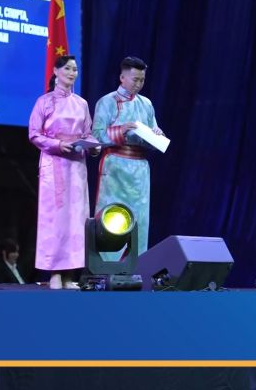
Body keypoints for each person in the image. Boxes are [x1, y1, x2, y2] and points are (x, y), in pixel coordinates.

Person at [28, 55, 98, 290]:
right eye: (67, 68)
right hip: (54, 164)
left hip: (76, 167)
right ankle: (54, 273)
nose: (71, 73)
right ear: (56, 71)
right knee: (55, 220)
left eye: (75, 69)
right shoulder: (44, 102)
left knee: (76, 220)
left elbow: (87, 133)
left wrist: (94, 146)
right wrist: (57, 145)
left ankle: (70, 274)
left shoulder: (81, 103)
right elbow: (34, 134)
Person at [92, 56, 164, 257]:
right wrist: (121, 130)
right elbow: (96, 135)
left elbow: (154, 131)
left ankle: (137, 265)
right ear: (122, 77)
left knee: (140, 220)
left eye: (142, 80)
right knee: (112, 216)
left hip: (140, 170)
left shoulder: (146, 104)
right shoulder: (107, 102)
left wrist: (157, 135)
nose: (138, 84)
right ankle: (107, 266)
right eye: (135, 79)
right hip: (116, 166)